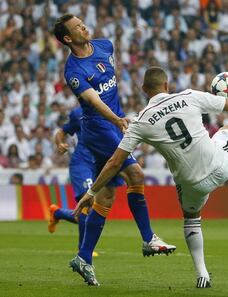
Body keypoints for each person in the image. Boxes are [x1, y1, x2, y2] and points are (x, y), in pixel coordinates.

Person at [74, 66, 228, 288]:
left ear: (144, 89)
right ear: (167, 85)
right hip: (219, 168)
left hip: (192, 184)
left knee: (191, 217)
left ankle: (202, 274)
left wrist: (91, 192)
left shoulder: (140, 122)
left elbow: (114, 163)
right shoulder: (190, 96)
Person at [53, 14, 175, 286]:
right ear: (68, 39)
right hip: (99, 128)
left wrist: (119, 117)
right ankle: (148, 239)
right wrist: (116, 120)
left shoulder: (105, 46)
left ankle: (83, 257)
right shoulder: (74, 71)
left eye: (82, 22)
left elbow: (108, 87)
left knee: (105, 197)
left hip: (113, 123)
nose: (84, 27)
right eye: (77, 28)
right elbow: (94, 100)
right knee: (137, 175)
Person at [48, 106, 98, 257]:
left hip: (97, 164)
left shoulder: (107, 108)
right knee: (88, 202)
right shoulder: (78, 113)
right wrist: (59, 143)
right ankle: (83, 250)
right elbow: (62, 131)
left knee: (88, 212)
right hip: (81, 163)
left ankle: (58, 213)